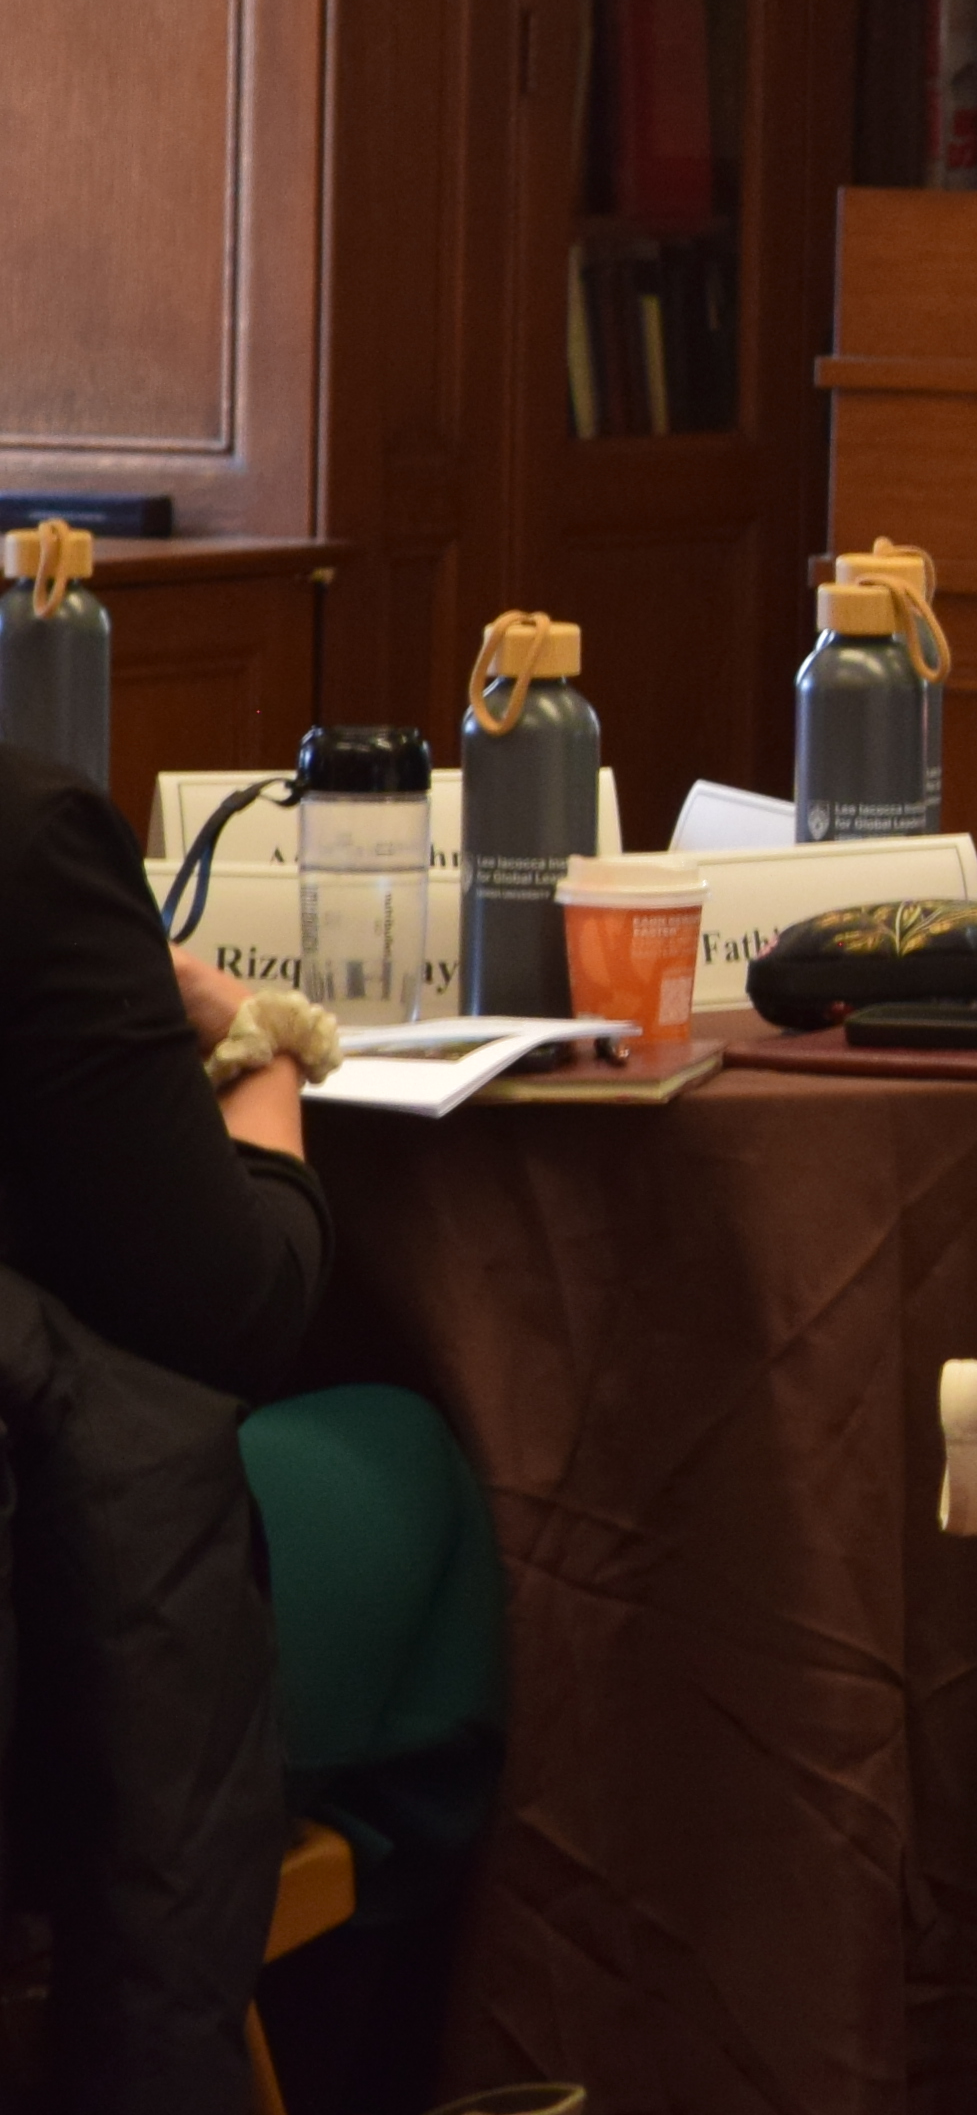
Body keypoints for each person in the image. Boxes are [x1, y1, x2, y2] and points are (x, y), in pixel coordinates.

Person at [3, 747, 503, 2113]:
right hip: (40, 1659)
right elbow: (235, 1307)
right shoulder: (27, 843)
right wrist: (262, 1053)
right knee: (417, 1467)